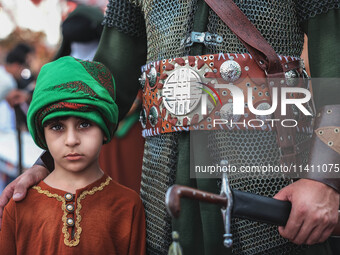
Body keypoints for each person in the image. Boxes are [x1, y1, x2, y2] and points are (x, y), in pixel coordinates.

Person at [0, 1, 339, 255]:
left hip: (271, 190)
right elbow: (106, 85)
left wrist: (324, 179)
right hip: (168, 197)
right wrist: (47, 163)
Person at [0, 56, 146, 255]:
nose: (71, 140)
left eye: (85, 124)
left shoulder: (127, 206)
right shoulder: (19, 207)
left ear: (104, 128)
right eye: (57, 126)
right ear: (42, 134)